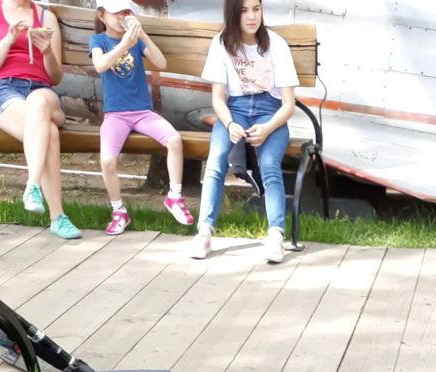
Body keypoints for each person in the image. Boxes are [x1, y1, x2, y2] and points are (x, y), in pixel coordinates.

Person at [189, 0, 298, 264]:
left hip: (270, 112)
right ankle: (204, 232)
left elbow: (289, 105)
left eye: (256, 9)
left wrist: (268, 128)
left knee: (269, 164)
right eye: (244, 10)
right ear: (233, 13)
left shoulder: (276, 44)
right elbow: (218, 99)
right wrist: (229, 124)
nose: (251, 17)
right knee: (216, 159)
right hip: (234, 110)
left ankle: (276, 235)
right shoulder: (221, 43)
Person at [0, 0, 81, 239]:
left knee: (38, 102)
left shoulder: (45, 17)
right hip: (5, 89)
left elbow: (55, 77)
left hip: (42, 89)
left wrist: (46, 51)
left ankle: (32, 185)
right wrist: (9, 39)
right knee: (49, 132)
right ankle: (58, 217)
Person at [88, 0, 195, 236]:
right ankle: (118, 210)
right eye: (116, 13)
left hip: (142, 112)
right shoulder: (99, 41)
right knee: (107, 161)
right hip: (115, 114)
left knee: (174, 140)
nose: (122, 17)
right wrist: (124, 45)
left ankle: (174, 197)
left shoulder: (136, 41)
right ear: (102, 16)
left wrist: (142, 36)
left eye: (126, 12)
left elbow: (161, 63)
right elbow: (100, 65)